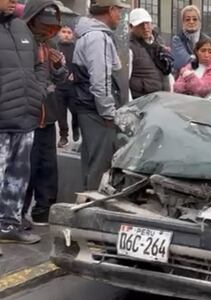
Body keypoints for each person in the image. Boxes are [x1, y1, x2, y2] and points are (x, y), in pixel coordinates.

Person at [0, 0, 48, 246]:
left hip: (24, 119)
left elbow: (39, 64)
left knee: (18, 178)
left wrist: (37, 90)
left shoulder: (21, 27)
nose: (12, 1)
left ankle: (9, 225)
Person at [72, 0, 129, 190]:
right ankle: (92, 209)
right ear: (110, 10)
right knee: (99, 166)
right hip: (96, 111)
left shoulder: (90, 35)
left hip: (88, 107)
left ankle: (85, 205)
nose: (119, 16)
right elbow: (100, 79)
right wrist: (108, 112)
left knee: (91, 164)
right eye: (118, 11)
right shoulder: (99, 37)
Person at [22, 0, 69, 226]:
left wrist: (59, 67)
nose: (47, 31)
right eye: (43, 25)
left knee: (48, 166)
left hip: (48, 114)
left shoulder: (52, 43)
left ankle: (44, 209)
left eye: (51, 26)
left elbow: (62, 79)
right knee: (25, 167)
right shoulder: (21, 41)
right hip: (25, 116)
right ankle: (18, 213)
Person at [128, 8, 173, 99]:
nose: (145, 27)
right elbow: (124, 82)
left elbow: (167, 73)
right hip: (142, 103)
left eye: (147, 23)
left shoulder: (159, 42)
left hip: (163, 100)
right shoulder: (129, 48)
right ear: (131, 26)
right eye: (140, 24)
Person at [55, 25, 79, 148]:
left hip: (73, 86)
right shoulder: (55, 48)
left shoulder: (76, 48)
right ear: (59, 33)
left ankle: (76, 126)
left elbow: (80, 65)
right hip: (58, 86)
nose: (66, 34)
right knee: (61, 113)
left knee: (75, 111)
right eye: (63, 32)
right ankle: (63, 136)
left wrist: (76, 74)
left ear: (73, 35)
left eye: (69, 32)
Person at [171, 5, 211, 72]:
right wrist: (202, 60)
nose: (191, 22)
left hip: (205, 79)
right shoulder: (177, 39)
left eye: (195, 19)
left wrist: (192, 57)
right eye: (187, 19)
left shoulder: (207, 39)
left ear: (199, 22)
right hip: (184, 79)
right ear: (183, 22)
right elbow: (181, 63)